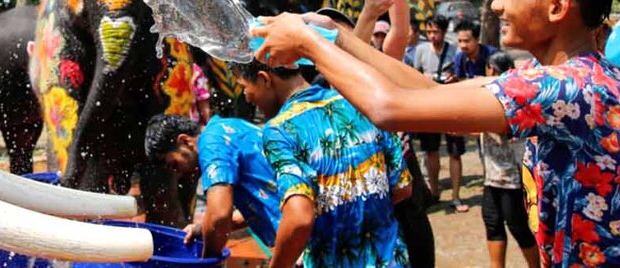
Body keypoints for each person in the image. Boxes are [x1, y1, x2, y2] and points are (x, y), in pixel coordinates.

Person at [252, 0, 620, 267]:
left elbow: (389, 109)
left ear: (557, 6)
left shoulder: (566, 88)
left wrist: (309, 45)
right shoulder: (578, 76)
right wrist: (336, 35)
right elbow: (431, 93)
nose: (494, 5)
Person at [235, 57, 411, 268]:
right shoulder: (359, 102)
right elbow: (403, 188)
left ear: (265, 79)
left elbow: (299, 218)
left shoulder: (280, 130)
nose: (246, 98)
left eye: (245, 87)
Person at [144, 114, 280, 256]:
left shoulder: (211, 146)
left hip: (301, 237)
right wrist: (203, 228)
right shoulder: (226, 128)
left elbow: (219, 217)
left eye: (174, 165)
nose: (178, 174)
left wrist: (206, 261)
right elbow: (259, 209)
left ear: (185, 141)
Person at [479, 51, 539, 268]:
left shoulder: (510, 100)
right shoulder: (486, 97)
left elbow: (499, 129)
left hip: (512, 178)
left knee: (518, 227)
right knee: (492, 224)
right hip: (492, 178)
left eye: (491, 68)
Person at [412, 16, 466, 210]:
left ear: (444, 32)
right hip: (429, 106)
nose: (432, 36)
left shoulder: (456, 51)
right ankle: (434, 192)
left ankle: (456, 196)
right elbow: (413, 76)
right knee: (430, 151)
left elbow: (461, 78)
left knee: (455, 152)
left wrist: (453, 79)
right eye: (429, 32)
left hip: (452, 105)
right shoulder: (420, 50)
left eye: (436, 32)